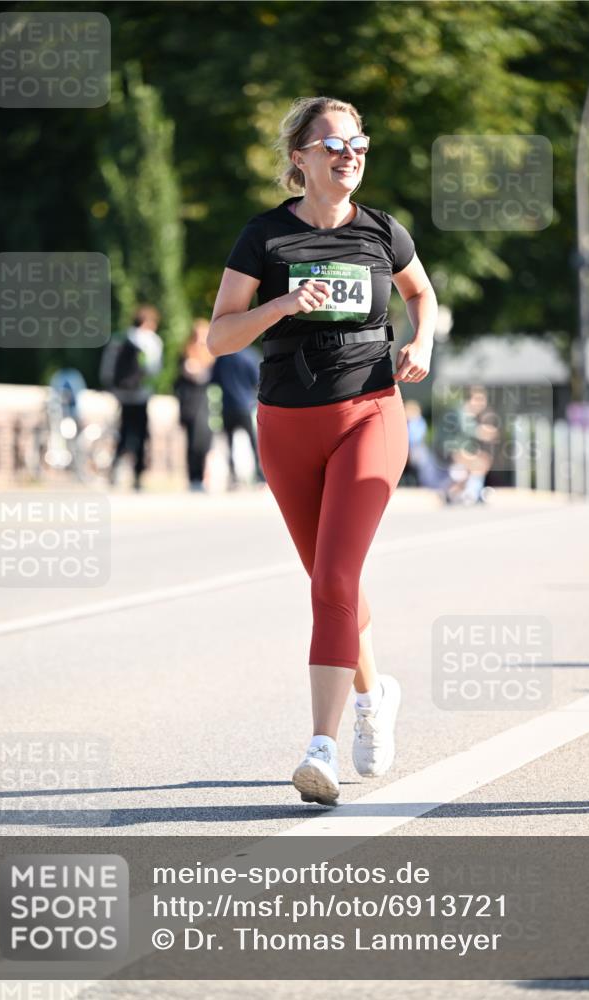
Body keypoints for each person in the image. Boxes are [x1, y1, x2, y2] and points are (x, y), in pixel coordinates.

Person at [208, 96, 437, 806]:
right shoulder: (264, 237)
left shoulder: (383, 231)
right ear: (300, 158)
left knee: (334, 578)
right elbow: (219, 336)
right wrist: (280, 305)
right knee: (329, 582)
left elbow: (422, 295)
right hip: (286, 422)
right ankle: (374, 693)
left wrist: (422, 342)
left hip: (370, 412)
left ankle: (320, 747)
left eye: (358, 144)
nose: (349, 156)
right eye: (333, 145)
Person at [100, 305, 163, 491]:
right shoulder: (151, 341)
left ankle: (116, 469)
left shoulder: (120, 338)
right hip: (141, 394)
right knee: (141, 434)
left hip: (122, 393)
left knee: (123, 431)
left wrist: (112, 387)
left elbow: (107, 368)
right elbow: (154, 369)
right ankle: (137, 475)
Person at [210, 343, 266, 488]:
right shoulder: (251, 355)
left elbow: (214, 379)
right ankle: (260, 476)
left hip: (228, 405)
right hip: (246, 405)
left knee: (229, 443)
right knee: (254, 443)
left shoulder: (223, 357)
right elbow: (258, 379)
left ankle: (233, 476)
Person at [173, 318, 215, 492]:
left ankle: (203, 476)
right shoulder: (186, 352)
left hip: (205, 401)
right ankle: (193, 477)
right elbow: (186, 374)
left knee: (204, 440)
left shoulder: (212, 353)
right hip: (190, 401)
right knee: (192, 440)